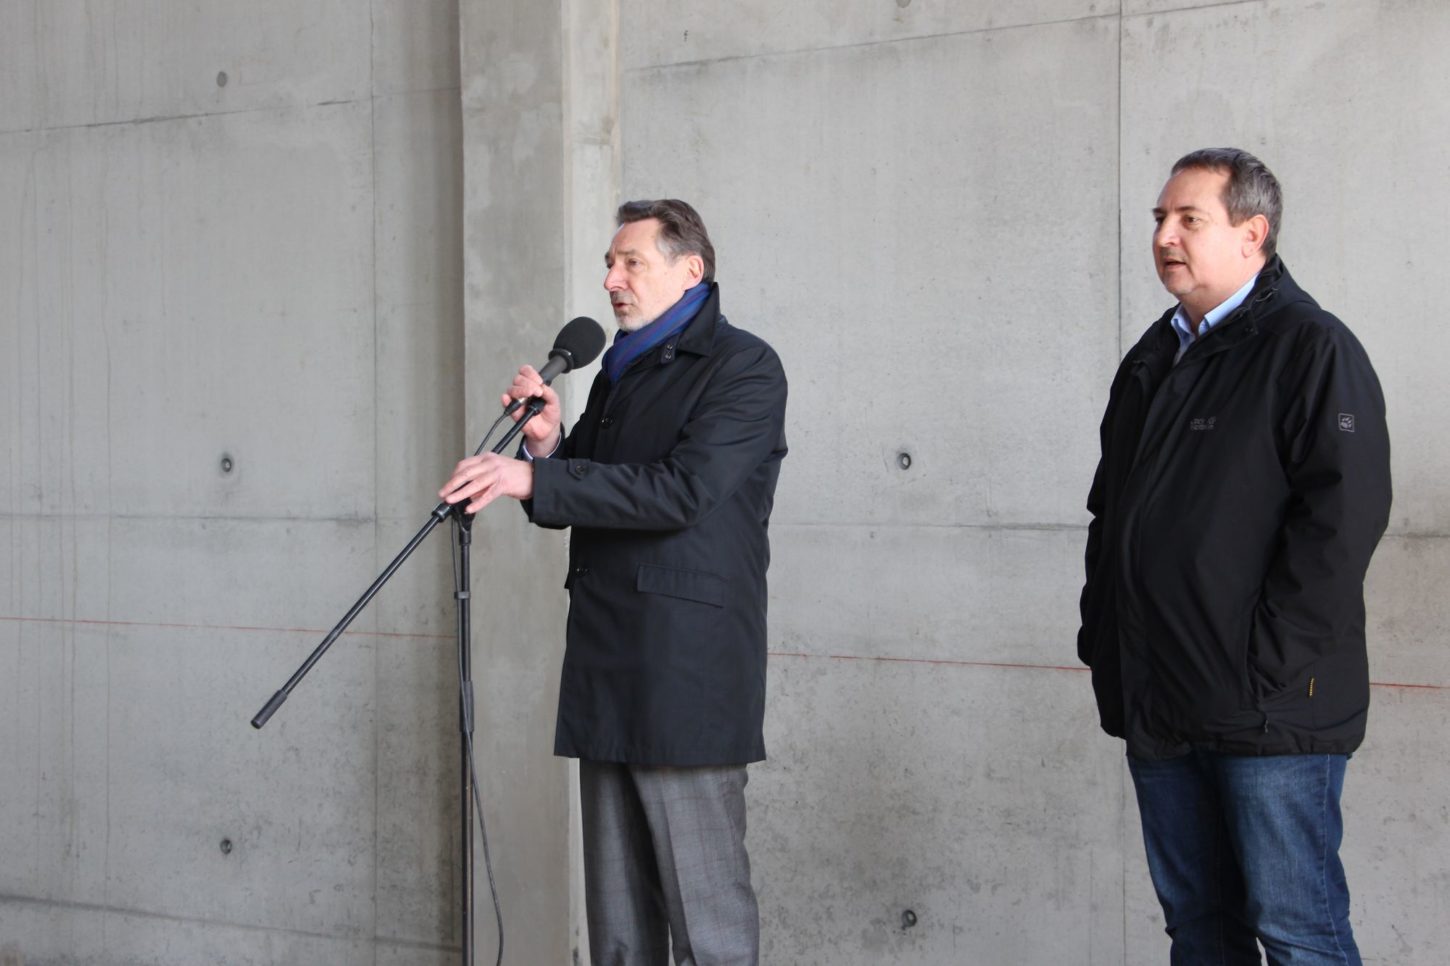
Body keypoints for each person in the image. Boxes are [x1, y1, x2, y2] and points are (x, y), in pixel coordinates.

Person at [440, 199, 787, 965]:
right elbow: (581, 493)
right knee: (621, 933)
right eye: (608, 262)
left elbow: (680, 491)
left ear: (690, 269)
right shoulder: (622, 374)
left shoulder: (744, 368)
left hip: (684, 677)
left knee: (709, 930)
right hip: (608, 670)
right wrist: (546, 443)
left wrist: (531, 483)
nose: (610, 280)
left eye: (630, 262)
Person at [1076, 148, 1391, 964]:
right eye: (1159, 219)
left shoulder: (1310, 349)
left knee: (1298, 933)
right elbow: (1113, 515)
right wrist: (1104, 640)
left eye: (1189, 219)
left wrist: (1269, 663)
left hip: (1269, 711)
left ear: (1253, 234)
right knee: (1200, 933)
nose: (1165, 236)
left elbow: (1343, 520)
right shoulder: (1153, 360)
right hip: (1161, 697)